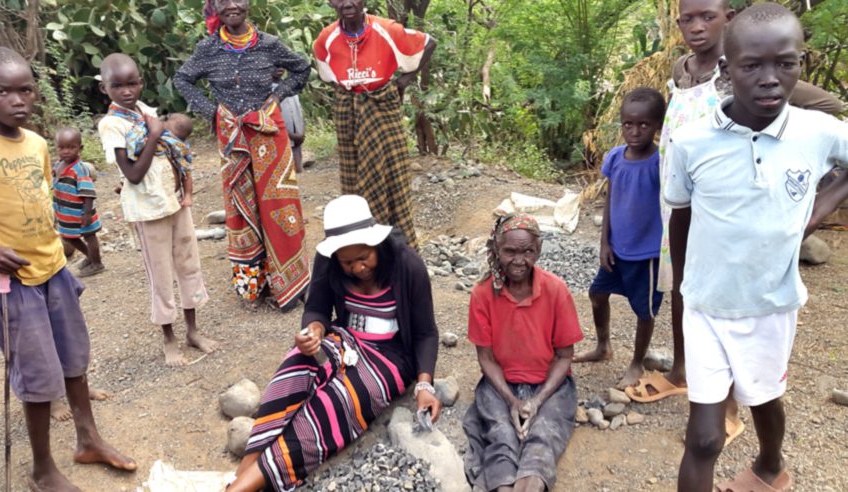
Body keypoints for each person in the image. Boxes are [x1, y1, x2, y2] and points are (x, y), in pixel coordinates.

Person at [627, 0, 845, 446]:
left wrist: (815, 208)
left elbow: (822, 110)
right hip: (689, 200)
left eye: (707, 16)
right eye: (687, 18)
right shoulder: (682, 72)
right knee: (684, 287)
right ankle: (686, 373)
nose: (696, 27)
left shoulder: (773, 86)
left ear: (727, 20)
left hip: (751, 231)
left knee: (749, 350)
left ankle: (733, 414)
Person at [0, 46, 136, 490]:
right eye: (3, 92)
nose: (17, 100)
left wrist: (62, 244)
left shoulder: (38, 143)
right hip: (12, 281)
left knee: (73, 359)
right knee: (38, 374)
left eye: (26, 90)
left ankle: (88, 440)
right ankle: (42, 469)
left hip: (53, 269)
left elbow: (40, 198)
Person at [227, 195, 442, 492]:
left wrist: (424, 385)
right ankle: (246, 468)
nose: (358, 268)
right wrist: (314, 331)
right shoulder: (328, 261)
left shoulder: (407, 264)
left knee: (334, 402)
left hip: (391, 357)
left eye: (364, 257)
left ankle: (244, 486)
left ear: (376, 245)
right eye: (348, 262)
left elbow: (426, 333)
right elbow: (316, 309)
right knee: (296, 363)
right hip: (346, 338)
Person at [175, 0, 312, 308]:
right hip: (232, 137)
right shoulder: (208, 49)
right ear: (216, 8)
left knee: (280, 206)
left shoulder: (268, 44)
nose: (232, 6)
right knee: (240, 205)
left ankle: (290, 284)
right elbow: (182, 79)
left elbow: (302, 68)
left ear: (248, 4)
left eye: (238, 0)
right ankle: (254, 287)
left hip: (269, 134)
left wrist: (277, 96)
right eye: (224, 2)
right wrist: (212, 112)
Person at [97, 53, 216, 367]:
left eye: (132, 83)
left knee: (188, 263)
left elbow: (171, 151)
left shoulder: (145, 111)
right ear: (104, 89)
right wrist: (153, 135)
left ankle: (192, 330)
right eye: (117, 86)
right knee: (161, 274)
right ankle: (169, 339)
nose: (126, 91)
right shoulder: (111, 124)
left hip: (173, 200)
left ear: (141, 82)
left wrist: (182, 187)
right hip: (147, 209)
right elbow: (133, 174)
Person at [463, 213, 583, 492]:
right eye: (510, 251)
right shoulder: (483, 294)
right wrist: (512, 400)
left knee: (542, 438)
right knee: (501, 436)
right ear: (497, 249)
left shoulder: (556, 290)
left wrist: (537, 400)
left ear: (538, 250)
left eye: (527, 251)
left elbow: (565, 356)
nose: (519, 260)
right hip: (500, 385)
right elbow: (486, 358)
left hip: (550, 386)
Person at [313, 0, 437, 249]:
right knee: (353, 177)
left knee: (394, 175)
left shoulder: (386, 28)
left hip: (382, 106)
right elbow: (328, 75)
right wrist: (350, 90)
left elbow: (429, 43)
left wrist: (403, 81)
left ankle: (400, 248)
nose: (347, 3)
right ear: (331, 3)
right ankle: (361, 244)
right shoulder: (326, 38)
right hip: (348, 111)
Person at [574, 88, 667, 389]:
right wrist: (605, 242)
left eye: (644, 125)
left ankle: (637, 362)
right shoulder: (615, 157)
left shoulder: (661, 162)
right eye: (628, 124)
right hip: (617, 249)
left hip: (647, 254)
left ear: (658, 126)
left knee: (644, 310)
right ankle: (603, 346)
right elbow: (610, 201)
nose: (635, 131)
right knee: (597, 294)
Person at [52, 127, 106, 278]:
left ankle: (97, 264)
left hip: (82, 212)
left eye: (71, 147)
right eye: (62, 148)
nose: (66, 151)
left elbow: (88, 193)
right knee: (68, 237)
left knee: (89, 236)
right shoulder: (59, 164)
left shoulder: (79, 169)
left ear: (80, 148)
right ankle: (90, 256)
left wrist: (87, 214)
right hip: (67, 213)